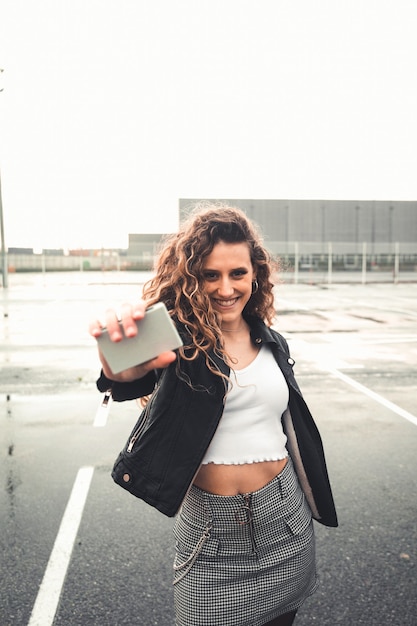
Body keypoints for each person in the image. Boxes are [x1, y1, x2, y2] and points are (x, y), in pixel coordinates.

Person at [90, 202, 338, 626]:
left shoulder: (273, 341)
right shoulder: (177, 341)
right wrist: (117, 364)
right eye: (210, 275)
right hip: (212, 541)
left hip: (287, 524)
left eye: (237, 273)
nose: (226, 288)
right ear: (192, 278)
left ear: (254, 273)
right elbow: (127, 374)